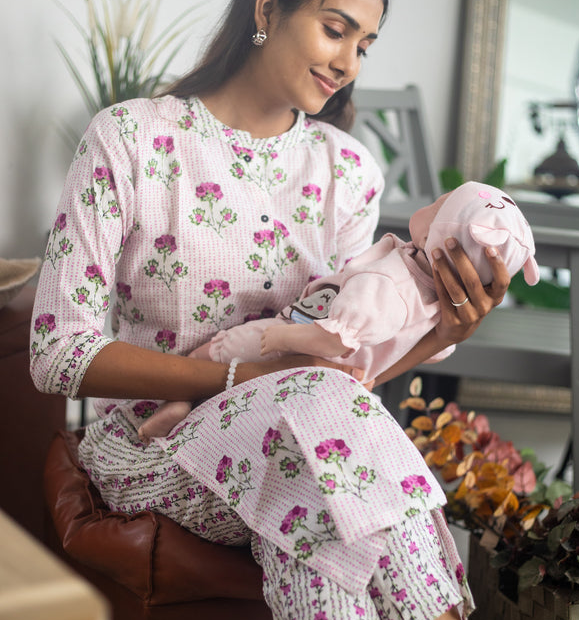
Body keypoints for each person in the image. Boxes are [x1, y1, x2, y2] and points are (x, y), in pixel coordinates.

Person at [31, 0, 535, 620]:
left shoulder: (347, 169)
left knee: (317, 489)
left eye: (365, 44)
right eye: (336, 28)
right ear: (269, 6)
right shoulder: (129, 138)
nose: (348, 62)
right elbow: (58, 353)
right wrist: (238, 375)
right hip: (154, 443)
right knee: (316, 441)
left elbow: (341, 366)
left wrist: (439, 333)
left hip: (302, 437)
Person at [137, 180, 540, 444]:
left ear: (440, 236)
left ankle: (177, 399)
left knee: (215, 350)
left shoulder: (387, 283)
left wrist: (281, 338)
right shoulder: (433, 307)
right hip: (330, 389)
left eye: (438, 205)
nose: (430, 202)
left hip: (288, 343)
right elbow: (384, 362)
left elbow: (333, 338)